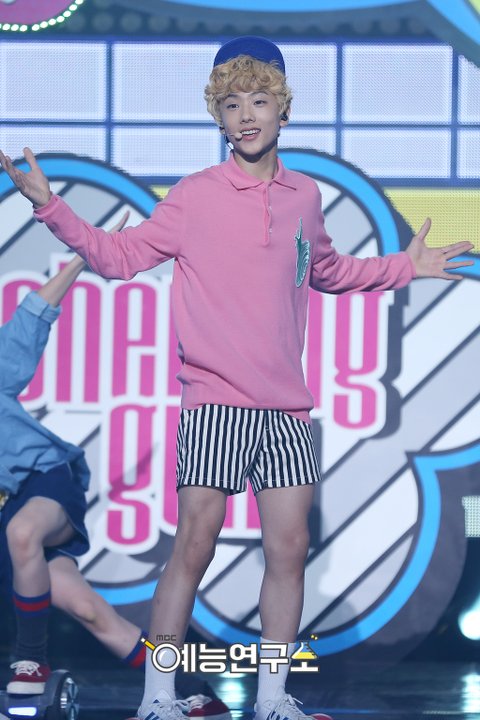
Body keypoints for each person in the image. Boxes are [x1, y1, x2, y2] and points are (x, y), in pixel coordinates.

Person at [0, 35, 474, 720]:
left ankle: (273, 698)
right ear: (218, 117)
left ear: (283, 109)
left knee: (290, 550)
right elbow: (117, 257)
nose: (246, 115)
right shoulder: (195, 196)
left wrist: (406, 266)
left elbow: (328, 270)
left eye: (258, 100)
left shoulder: (304, 197)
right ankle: (158, 698)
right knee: (193, 548)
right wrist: (50, 205)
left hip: (286, 410)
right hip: (214, 403)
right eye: (231, 104)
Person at [0, 237, 230, 720]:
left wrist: (84, 255)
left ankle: (31, 659)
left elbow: (32, 317)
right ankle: (192, 691)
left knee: (23, 531)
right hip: (10, 523)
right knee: (90, 612)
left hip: (44, 484)